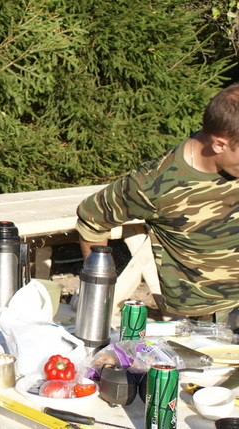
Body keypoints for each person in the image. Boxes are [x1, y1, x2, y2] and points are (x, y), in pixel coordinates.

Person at [75, 83, 239, 325]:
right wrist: (99, 295)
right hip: (214, 320)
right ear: (219, 145)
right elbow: (92, 219)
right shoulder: (152, 184)